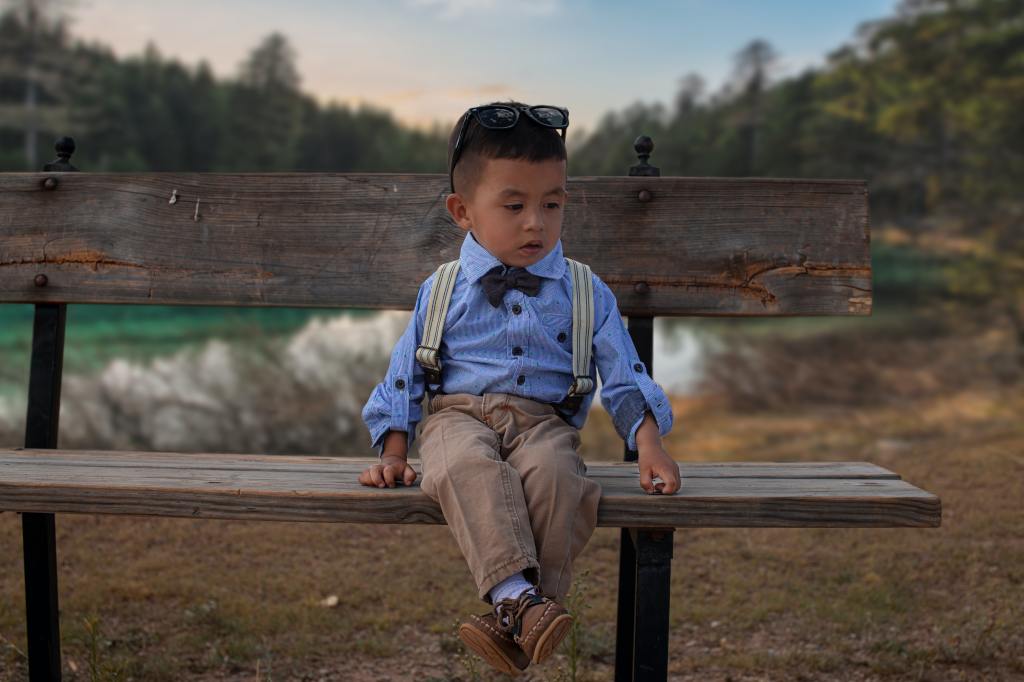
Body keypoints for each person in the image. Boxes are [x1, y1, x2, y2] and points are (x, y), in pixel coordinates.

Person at [358, 99, 680, 675]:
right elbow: (405, 368)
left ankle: (516, 610)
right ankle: (524, 602)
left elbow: (623, 370)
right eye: (515, 205)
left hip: (543, 421)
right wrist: (395, 450)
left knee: (558, 480)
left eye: (551, 204)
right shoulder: (444, 289)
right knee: (460, 467)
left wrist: (649, 442)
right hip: (457, 415)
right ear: (463, 211)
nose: (537, 222)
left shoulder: (584, 291)